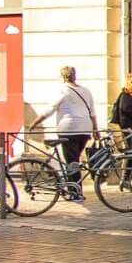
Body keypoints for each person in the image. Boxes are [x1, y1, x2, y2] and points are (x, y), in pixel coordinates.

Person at [31, 66, 97, 202]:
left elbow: (50, 109)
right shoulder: (86, 91)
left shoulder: (63, 91)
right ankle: (74, 188)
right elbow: (93, 113)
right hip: (85, 129)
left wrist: (35, 122)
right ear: (74, 75)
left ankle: (75, 192)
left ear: (62, 77)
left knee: (71, 161)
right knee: (75, 160)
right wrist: (95, 130)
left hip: (69, 129)